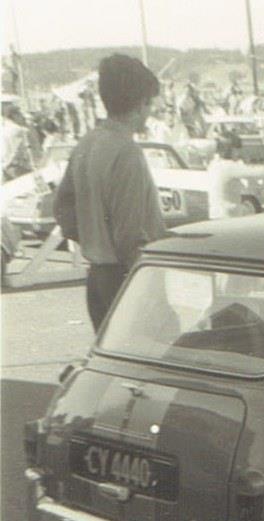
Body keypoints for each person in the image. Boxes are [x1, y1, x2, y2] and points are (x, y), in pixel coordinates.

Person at [53, 55, 166, 332]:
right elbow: (129, 235)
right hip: (128, 278)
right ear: (141, 103)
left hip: (97, 278)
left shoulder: (87, 143)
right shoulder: (127, 152)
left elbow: (62, 209)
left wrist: (95, 237)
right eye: (150, 104)